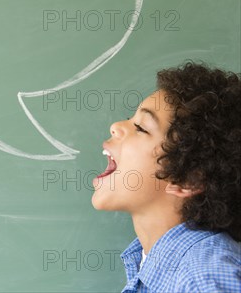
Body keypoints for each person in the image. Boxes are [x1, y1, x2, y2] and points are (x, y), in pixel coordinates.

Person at [92, 61, 241, 292]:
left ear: (188, 180)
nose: (116, 126)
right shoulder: (155, 264)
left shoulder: (204, 277)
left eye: (141, 127)